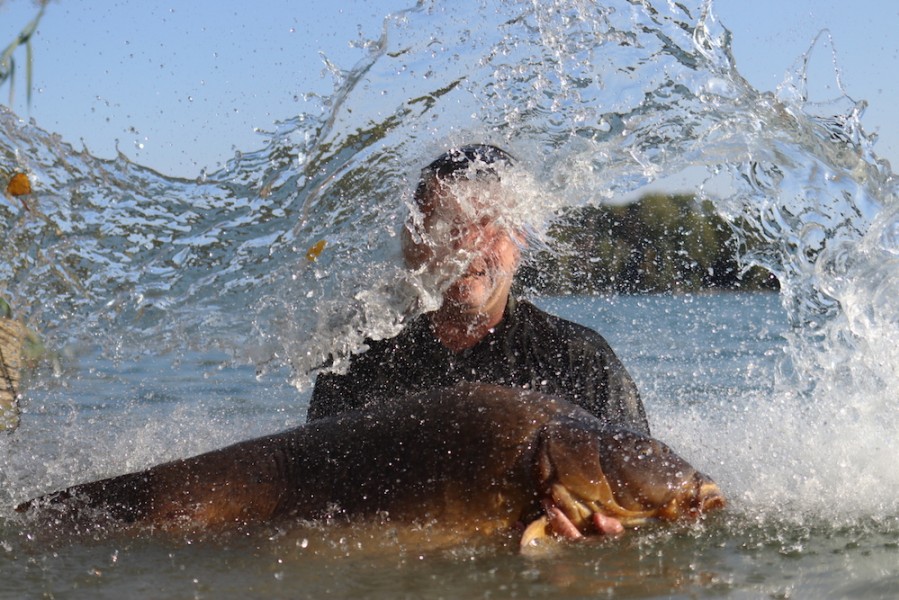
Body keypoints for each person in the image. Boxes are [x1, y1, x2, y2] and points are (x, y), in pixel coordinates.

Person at [307, 144, 650, 438]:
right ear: (412, 239)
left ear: (521, 241)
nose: (467, 244)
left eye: (488, 223)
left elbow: (644, 482)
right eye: (446, 223)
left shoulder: (577, 360)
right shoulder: (358, 361)